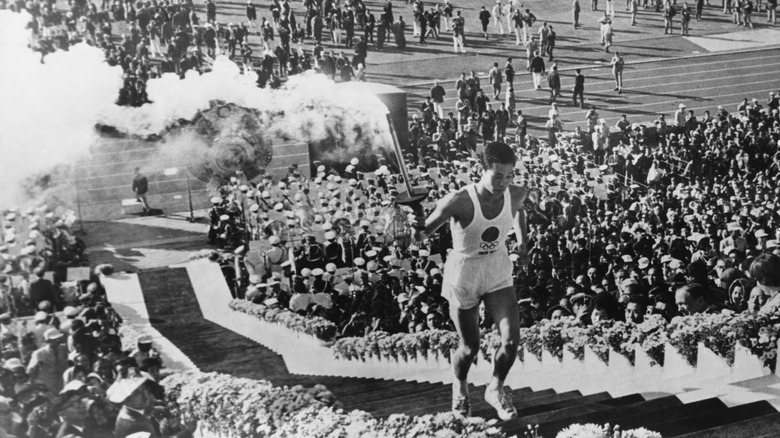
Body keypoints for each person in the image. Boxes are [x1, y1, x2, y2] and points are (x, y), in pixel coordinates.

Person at [414, 142, 528, 420]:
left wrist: (523, 244)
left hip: (497, 270)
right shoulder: (459, 200)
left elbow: (519, 210)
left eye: (509, 175)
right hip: (464, 274)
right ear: (482, 170)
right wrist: (414, 222)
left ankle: (495, 388)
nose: (503, 182)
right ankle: (460, 385)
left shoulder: (517, 192)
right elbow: (420, 236)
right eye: (497, 175)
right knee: (469, 347)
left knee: (511, 341)